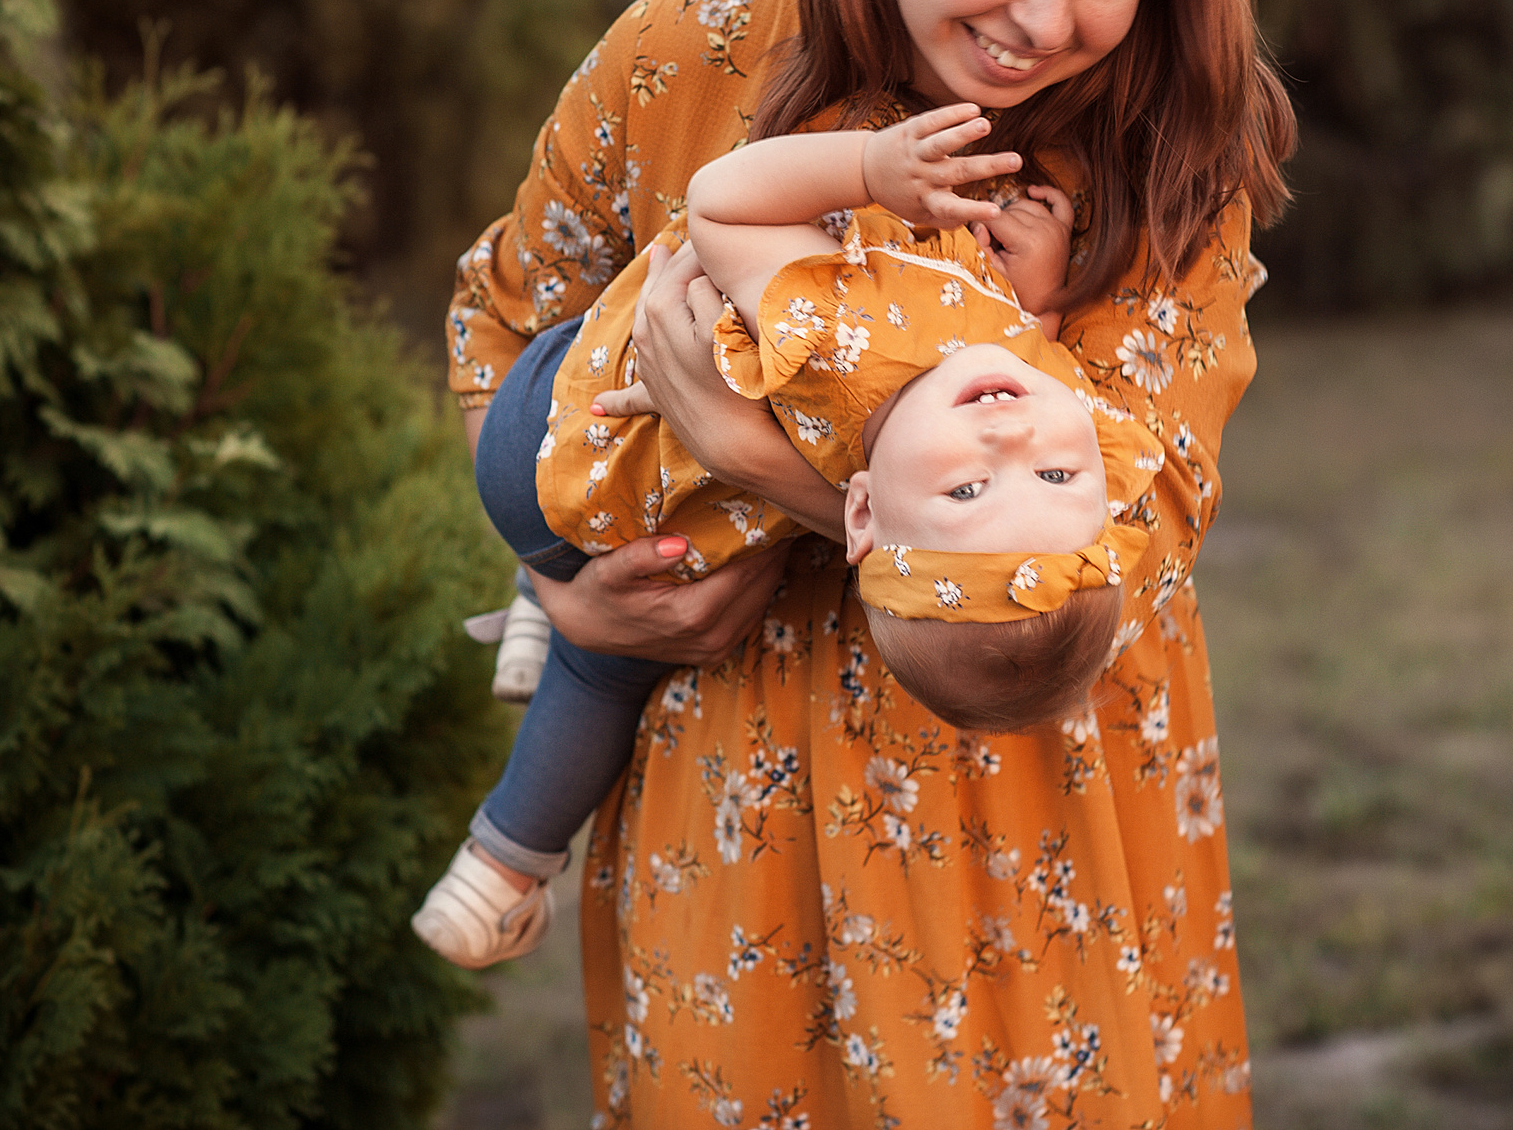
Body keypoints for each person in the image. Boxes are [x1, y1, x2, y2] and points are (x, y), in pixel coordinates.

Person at [446, 0, 1293, 1126]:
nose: (1046, 13)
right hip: (739, 788)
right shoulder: (694, 48)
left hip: (1035, 789)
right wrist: (565, 584)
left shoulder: (1169, 147)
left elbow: (1142, 518)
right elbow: (509, 325)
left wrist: (777, 469)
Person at [413, 103, 1162, 968]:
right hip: (621, 494)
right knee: (615, 651)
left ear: (862, 510)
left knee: (610, 659)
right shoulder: (1009, 390)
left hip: (545, 450)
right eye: (1061, 477)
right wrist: (1040, 277)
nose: (1015, 440)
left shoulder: (842, 347)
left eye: (967, 488)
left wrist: (873, 170)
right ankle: (507, 856)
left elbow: (720, 204)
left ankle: (507, 833)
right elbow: (1013, 335)